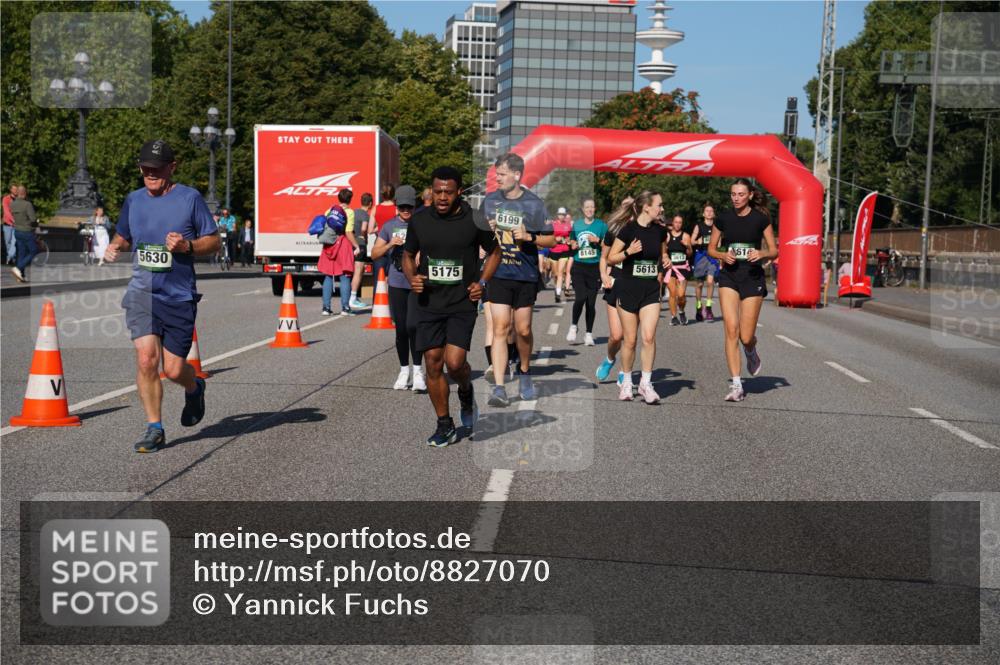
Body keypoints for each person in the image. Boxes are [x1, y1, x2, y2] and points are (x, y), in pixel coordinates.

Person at [102, 139, 220, 453]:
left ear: (172, 167)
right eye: (145, 168)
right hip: (142, 292)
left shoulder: (190, 198)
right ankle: (155, 428)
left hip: (178, 296)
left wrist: (188, 247)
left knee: (173, 369)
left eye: (156, 168)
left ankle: (194, 388)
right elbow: (124, 234)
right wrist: (115, 246)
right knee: (145, 360)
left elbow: (214, 241)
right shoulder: (134, 200)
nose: (150, 173)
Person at [402, 166, 500, 447]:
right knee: (433, 362)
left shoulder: (475, 219)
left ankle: (466, 392)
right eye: (437, 191)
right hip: (428, 301)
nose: (442, 197)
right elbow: (408, 255)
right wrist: (412, 278)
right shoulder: (420, 220)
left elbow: (495, 253)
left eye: (448, 191)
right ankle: (444, 424)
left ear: (458, 192)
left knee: (455, 364)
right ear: (431, 191)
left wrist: (482, 282)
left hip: (461, 301)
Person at [482, 152, 555, 406]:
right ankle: (500, 388)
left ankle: (525, 371)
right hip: (499, 273)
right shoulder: (490, 202)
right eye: (496, 174)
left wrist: (529, 237)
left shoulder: (534, 204)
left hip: (525, 275)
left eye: (501, 174)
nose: (497, 179)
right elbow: (479, 238)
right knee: (501, 328)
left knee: (522, 330)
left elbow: (551, 239)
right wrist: (486, 234)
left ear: (516, 175)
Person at [708, 178, 778, 402]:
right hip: (729, 276)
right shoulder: (723, 219)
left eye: (740, 194)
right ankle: (737, 384)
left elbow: (774, 250)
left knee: (745, 335)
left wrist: (762, 254)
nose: (736, 198)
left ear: (749, 195)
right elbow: (711, 248)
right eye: (733, 194)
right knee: (731, 329)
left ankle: (751, 349)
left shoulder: (761, 219)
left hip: (752, 277)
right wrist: (722, 255)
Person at [607, 191, 667, 404]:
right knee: (630, 340)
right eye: (659, 205)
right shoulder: (628, 230)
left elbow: (663, 252)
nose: (661, 209)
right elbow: (610, 258)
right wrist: (628, 252)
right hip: (628, 288)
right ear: (647, 207)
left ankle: (646, 383)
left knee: (649, 337)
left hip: (651, 290)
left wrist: (666, 260)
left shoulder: (661, 231)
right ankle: (626, 382)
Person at [372, 185, 425, 392]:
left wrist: (423, 253)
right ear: (396, 206)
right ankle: (404, 371)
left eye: (409, 207)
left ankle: (419, 371)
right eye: (402, 207)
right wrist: (390, 244)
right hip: (396, 282)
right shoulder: (388, 226)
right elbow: (374, 253)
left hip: (417, 282)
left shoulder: (421, 224)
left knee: (414, 326)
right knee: (401, 329)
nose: (406, 211)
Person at [595, 196, 632, 386]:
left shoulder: (644, 231)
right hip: (615, 283)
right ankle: (610, 359)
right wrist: (604, 275)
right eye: (626, 206)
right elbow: (604, 257)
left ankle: (625, 371)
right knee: (616, 335)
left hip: (635, 285)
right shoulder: (613, 230)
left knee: (629, 335)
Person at [565, 198, 607, 346]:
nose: (589, 209)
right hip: (579, 266)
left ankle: (588, 333)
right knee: (580, 297)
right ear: (582, 209)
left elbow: (608, 245)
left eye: (592, 207)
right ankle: (573, 325)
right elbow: (571, 242)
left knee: (591, 303)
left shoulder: (601, 226)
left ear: (595, 209)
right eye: (587, 207)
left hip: (595, 267)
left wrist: (598, 240)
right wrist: (573, 244)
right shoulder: (576, 225)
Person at [318, 203, 357, 316]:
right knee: (345, 276)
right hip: (343, 244)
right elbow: (348, 231)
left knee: (328, 276)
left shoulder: (329, 210)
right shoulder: (349, 212)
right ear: (350, 200)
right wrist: (356, 246)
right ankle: (345, 308)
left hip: (329, 244)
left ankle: (326, 308)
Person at [690, 203, 720, 322]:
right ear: (703, 214)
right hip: (700, 256)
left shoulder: (717, 226)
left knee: (710, 281)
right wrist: (698, 241)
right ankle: (698, 306)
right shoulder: (699, 226)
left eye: (711, 211)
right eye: (707, 211)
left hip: (712, 256)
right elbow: (691, 241)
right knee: (699, 284)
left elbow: (719, 243)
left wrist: (716, 244)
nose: (709, 213)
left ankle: (708, 307)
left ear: (713, 214)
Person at [664, 214, 693, 326]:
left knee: (681, 295)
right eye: (676, 222)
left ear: (682, 224)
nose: (677, 224)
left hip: (682, 268)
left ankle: (681, 311)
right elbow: (663, 252)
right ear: (672, 223)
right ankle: (673, 316)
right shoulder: (667, 236)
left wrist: (688, 246)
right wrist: (665, 252)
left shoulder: (686, 236)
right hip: (671, 268)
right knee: (672, 293)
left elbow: (690, 254)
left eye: (680, 222)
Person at [10, 185, 39, 283]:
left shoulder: (12, 204)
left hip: (17, 231)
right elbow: (33, 219)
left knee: (21, 253)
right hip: (27, 231)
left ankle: (20, 275)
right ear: (25, 193)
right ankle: (18, 268)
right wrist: (36, 224)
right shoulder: (27, 204)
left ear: (17, 193)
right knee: (34, 251)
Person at [350, 192, 374, 308]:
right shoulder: (365, 214)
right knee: (359, 271)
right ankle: (353, 298)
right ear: (370, 203)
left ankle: (352, 297)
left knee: (354, 271)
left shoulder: (354, 212)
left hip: (352, 243)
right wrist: (364, 236)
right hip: (361, 244)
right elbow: (364, 228)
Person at [372, 184, 397, 284]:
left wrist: (380, 228)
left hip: (379, 243)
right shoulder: (396, 209)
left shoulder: (376, 208)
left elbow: (369, 229)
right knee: (393, 277)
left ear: (382, 195)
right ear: (393, 195)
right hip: (393, 244)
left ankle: (377, 299)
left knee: (378, 279)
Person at [549, 207, 573, 302]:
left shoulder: (568, 225)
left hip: (564, 250)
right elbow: (548, 236)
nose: (561, 216)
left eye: (563, 214)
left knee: (560, 272)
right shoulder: (552, 225)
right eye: (560, 214)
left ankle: (558, 294)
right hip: (554, 251)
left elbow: (571, 237)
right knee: (555, 274)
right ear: (557, 215)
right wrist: (555, 238)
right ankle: (557, 288)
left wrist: (568, 240)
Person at [3, 184, 16, 265]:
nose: (15, 191)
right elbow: (6, 211)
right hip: (7, 224)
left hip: (16, 225)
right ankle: (10, 257)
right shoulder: (6, 199)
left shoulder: (19, 199)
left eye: (16, 189)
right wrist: (13, 220)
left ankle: (11, 258)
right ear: (10, 190)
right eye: (14, 189)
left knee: (14, 242)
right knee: (8, 242)